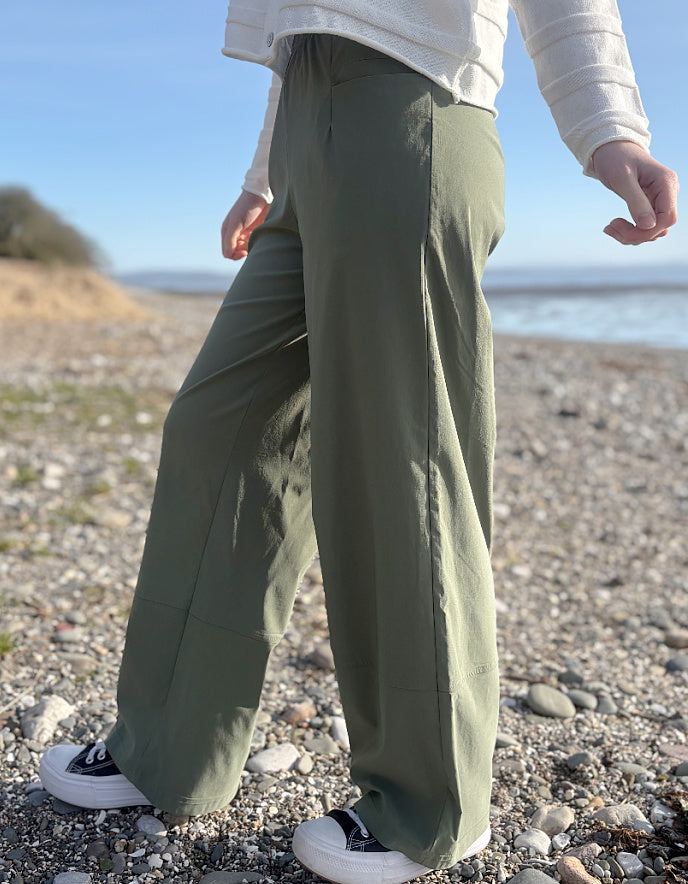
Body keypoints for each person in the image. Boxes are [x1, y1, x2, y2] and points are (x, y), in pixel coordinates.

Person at [39, 2, 678, 883]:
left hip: (410, 123)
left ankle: (433, 805)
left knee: (400, 462)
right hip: (309, 133)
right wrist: (268, 172)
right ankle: (169, 749)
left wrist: (611, 133)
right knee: (223, 429)